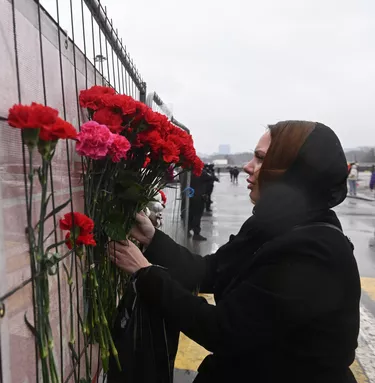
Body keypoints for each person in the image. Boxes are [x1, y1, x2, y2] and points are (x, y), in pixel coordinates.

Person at [110, 121, 360, 383]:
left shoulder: (314, 251)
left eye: (261, 158)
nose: (247, 166)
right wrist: (152, 239)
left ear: (295, 173)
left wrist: (146, 274)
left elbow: (223, 330)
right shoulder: (271, 224)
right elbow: (210, 270)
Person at [189, 166, 216, 241]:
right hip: (199, 196)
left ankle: (189, 228)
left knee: (191, 214)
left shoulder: (189, 173)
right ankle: (196, 234)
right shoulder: (200, 173)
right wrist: (208, 171)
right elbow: (211, 177)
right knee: (197, 215)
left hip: (191, 195)